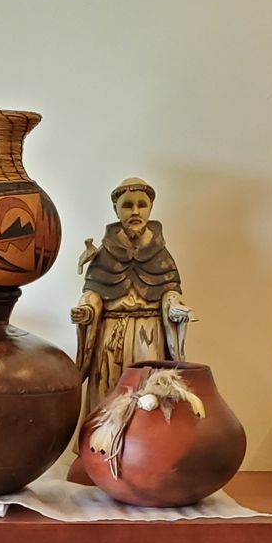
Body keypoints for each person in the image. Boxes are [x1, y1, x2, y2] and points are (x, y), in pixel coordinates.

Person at [71, 177, 193, 419]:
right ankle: (103, 440)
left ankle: (144, 441)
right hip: (110, 338)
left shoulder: (160, 253)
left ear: (150, 208)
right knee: (107, 393)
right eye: (127, 205)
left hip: (150, 336)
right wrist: (86, 310)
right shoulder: (104, 254)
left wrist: (175, 305)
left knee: (148, 395)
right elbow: (93, 293)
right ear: (115, 209)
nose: (135, 211)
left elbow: (169, 290)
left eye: (141, 205)